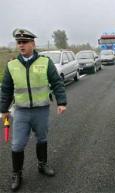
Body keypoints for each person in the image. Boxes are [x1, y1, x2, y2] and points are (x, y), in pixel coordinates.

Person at [0, 29, 67, 191]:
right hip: (21, 111)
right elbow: (6, 89)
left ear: (33, 44)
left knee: (42, 138)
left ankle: (42, 165)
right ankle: (17, 174)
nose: (21, 45)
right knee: (17, 144)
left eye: (25, 42)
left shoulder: (45, 62)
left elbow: (57, 82)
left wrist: (61, 102)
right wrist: (4, 110)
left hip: (41, 110)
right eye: (19, 42)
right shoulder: (11, 65)